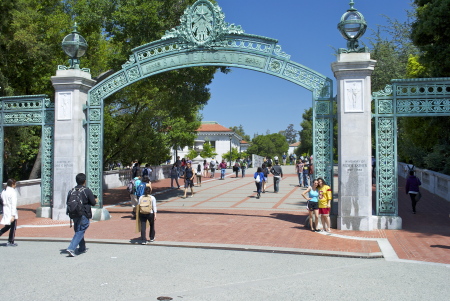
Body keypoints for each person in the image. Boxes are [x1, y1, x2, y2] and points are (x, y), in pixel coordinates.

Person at [66, 173, 97, 257]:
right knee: (81, 230)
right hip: (83, 213)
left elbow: (67, 202)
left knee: (78, 230)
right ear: (84, 181)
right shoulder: (86, 190)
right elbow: (93, 203)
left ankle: (82, 248)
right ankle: (71, 248)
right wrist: (95, 199)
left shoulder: (71, 190)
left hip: (73, 213)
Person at [0, 179, 19, 246]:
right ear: (12, 184)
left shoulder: (4, 191)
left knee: (7, 226)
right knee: (13, 227)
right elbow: (13, 204)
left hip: (5, 210)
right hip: (10, 210)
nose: (15, 185)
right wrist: (13, 215)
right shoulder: (12, 192)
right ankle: (11, 241)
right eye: (15, 184)